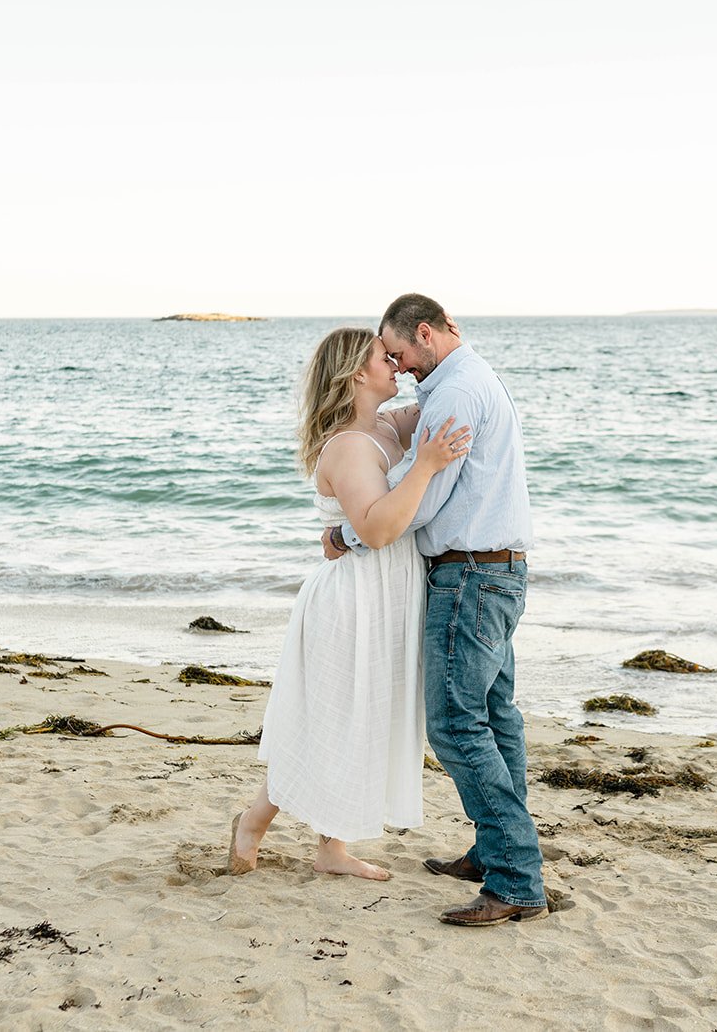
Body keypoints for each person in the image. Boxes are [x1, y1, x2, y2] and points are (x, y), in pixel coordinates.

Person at [323, 293, 544, 926]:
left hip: (470, 577)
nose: (400, 366)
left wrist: (346, 534)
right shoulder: (472, 376)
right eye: (386, 359)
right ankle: (496, 852)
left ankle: (516, 881)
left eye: (400, 353)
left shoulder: (453, 393)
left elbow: (417, 506)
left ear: (426, 333)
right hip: (499, 571)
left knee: (456, 726)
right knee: (497, 718)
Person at [227, 326, 471, 880]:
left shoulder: (386, 428)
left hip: (386, 595)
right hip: (353, 600)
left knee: (360, 721)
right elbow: (380, 529)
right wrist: (428, 465)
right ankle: (252, 823)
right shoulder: (348, 448)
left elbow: (444, 388)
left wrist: (444, 338)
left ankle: (330, 850)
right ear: (358, 374)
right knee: (329, 725)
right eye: (385, 359)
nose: (397, 366)